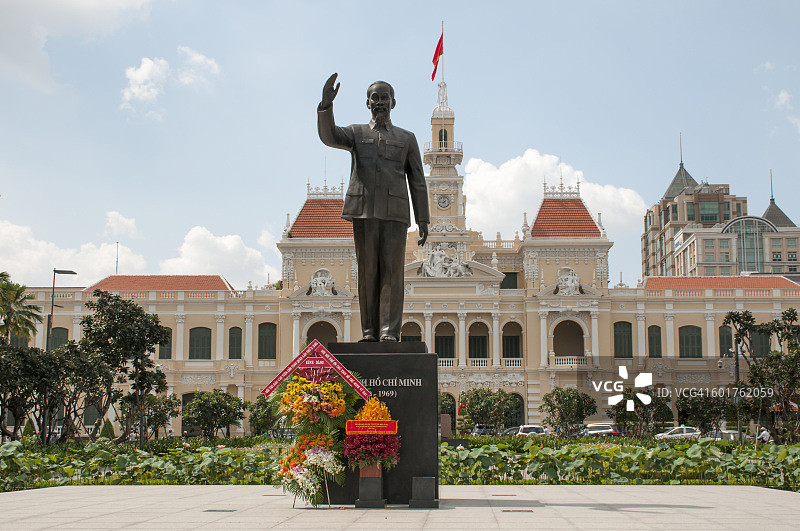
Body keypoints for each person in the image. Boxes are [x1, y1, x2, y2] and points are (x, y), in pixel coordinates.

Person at [317, 73, 429, 341]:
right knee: (368, 273)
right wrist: (325, 106)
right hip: (364, 211)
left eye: (384, 98)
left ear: (393, 103)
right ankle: (369, 332)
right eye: (374, 98)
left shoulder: (406, 138)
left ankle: (390, 332)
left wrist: (423, 218)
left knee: (393, 273)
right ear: (367, 103)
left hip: (395, 214)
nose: (380, 102)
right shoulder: (357, 133)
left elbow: (418, 181)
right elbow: (329, 136)